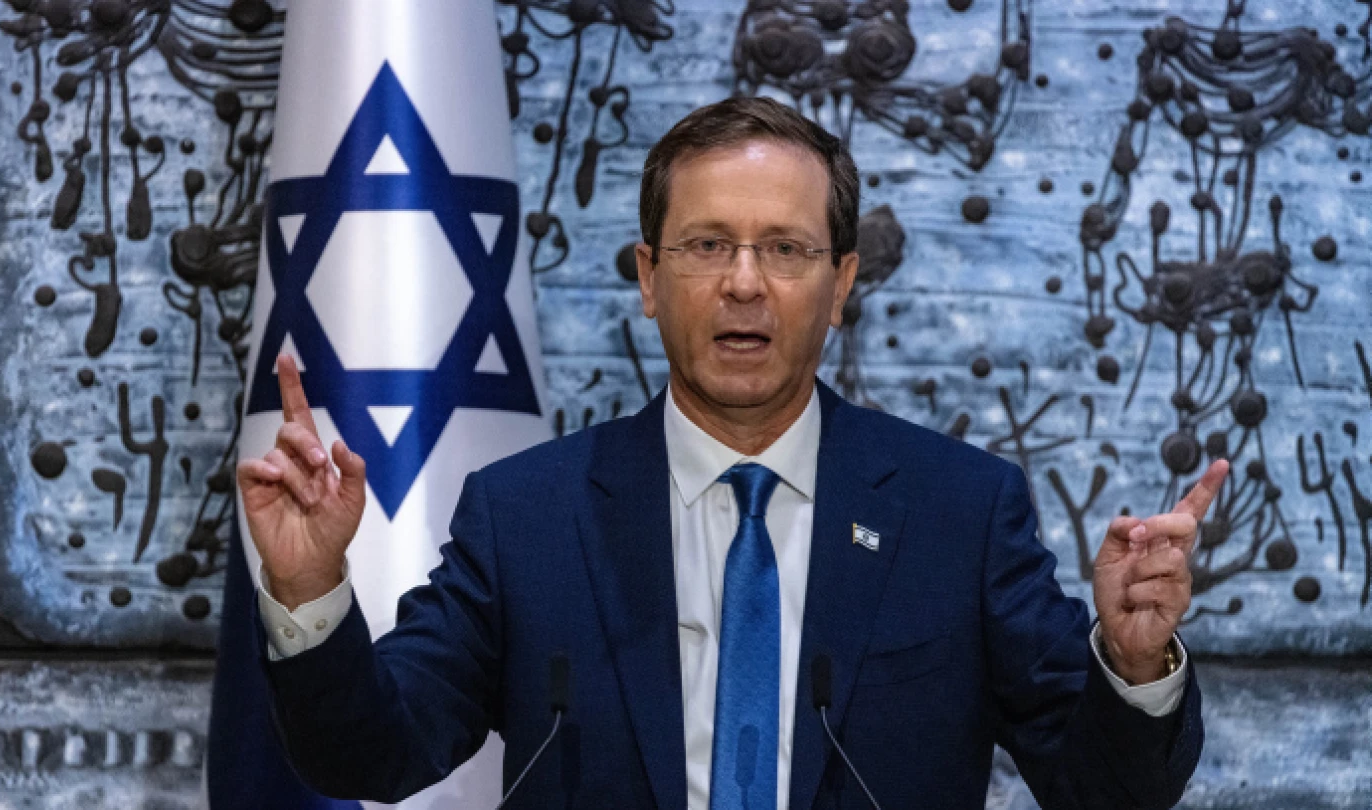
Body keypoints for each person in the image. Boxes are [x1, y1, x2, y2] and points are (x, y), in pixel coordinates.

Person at [237, 96, 1223, 810]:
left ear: (840, 285)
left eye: (785, 250)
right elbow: (375, 756)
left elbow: (1104, 792)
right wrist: (311, 595)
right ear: (649, 279)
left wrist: (1135, 664)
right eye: (707, 246)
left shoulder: (958, 511)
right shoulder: (527, 514)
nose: (745, 284)